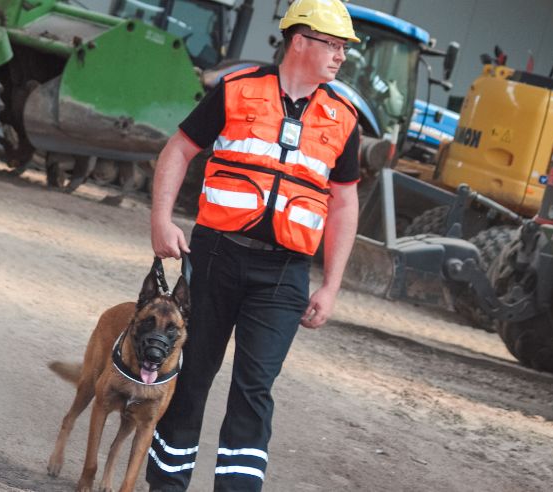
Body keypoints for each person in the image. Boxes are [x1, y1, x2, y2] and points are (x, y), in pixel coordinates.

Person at [144, 0, 362, 490]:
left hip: (285, 273)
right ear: (300, 41)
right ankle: (165, 486)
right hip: (216, 255)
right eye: (334, 44)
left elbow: (344, 205)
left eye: (346, 48)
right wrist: (161, 219)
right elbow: (178, 149)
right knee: (193, 374)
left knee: (254, 389)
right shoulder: (237, 91)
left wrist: (331, 284)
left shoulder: (343, 117)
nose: (342, 56)